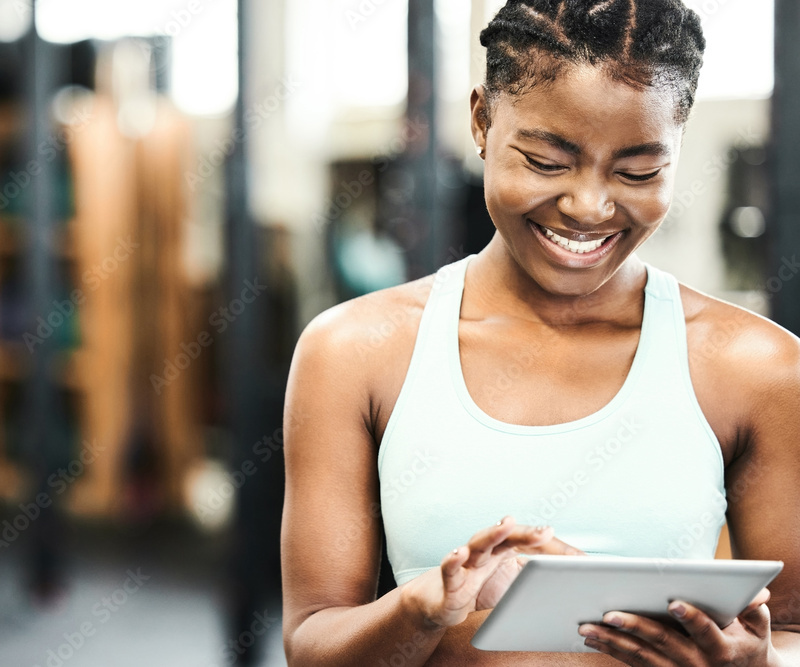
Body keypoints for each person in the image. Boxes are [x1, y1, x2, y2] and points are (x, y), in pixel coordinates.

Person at [280, 1, 800, 665]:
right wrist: (419, 611)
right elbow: (313, 645)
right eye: (547, 160)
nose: (590, 206)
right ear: (482, 120)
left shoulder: (758, 367)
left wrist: (758, 662)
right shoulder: (354, 351)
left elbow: (792, 633)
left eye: (639, 171)